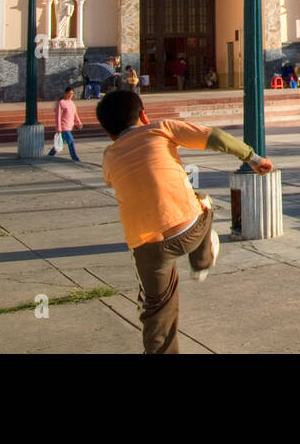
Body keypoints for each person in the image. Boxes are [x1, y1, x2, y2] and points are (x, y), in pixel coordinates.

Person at [97, 89, 273, 354]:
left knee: (157, 309)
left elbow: (113, 179)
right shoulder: (162, 129)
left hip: (146, 246)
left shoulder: (109, 156)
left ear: (109, 133)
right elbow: (216, 138)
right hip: (188, 229)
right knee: (203, 202)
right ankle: (202, 261)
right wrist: (253, 158)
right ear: (144, 114)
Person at [48, 86, 83, 161]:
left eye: (72, 94)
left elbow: (75, 114)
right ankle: (75, 158)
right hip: (64, 127)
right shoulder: (61, 103)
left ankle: (50, 155)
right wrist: (59, 128)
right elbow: (58, 116)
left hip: (69, 126)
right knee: (71, 141)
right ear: (65, 93)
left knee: (59, 143)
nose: (71, 95)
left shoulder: (72, 103)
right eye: (69, 93)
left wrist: (78, 123)